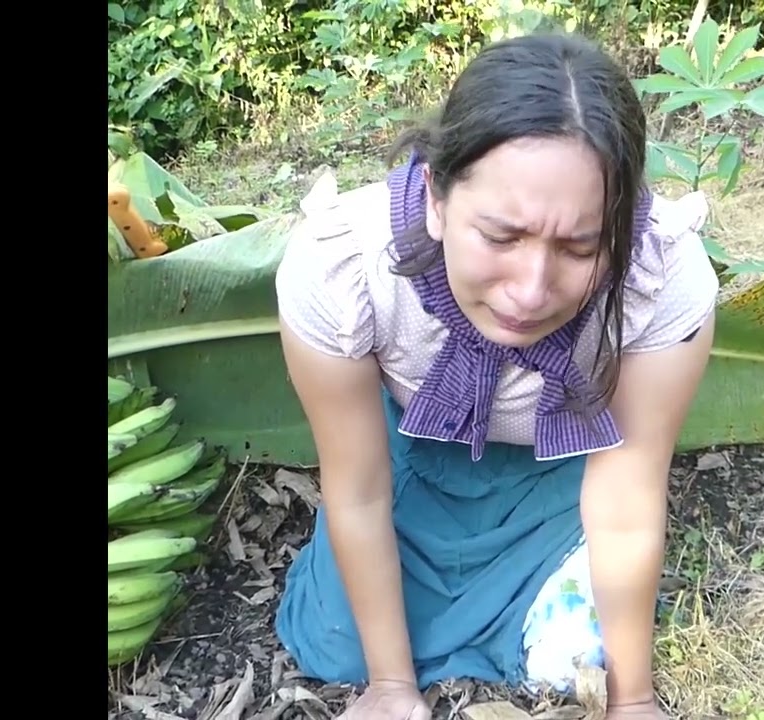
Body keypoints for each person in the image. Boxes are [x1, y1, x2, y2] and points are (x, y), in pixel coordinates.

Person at [271, 30, 718, 720]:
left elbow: (627, 498)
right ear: (435, 197)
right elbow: (357, 490)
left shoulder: (664, 276)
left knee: (574, 657)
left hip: (572, 472)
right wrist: (390, 688)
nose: (531, 290)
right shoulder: (341, 268)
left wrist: (633, 702)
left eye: (580, 248)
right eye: (501, 237)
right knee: (339, 644)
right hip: (412, 465)